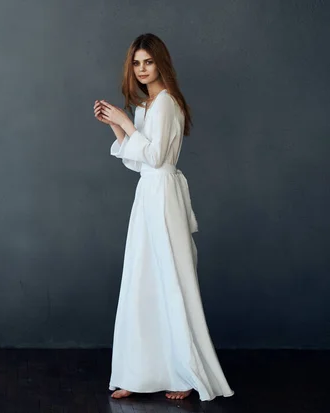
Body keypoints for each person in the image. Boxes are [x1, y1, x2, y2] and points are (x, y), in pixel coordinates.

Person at [93, 33, 234, 402]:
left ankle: (182, 372)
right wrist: (116, 123)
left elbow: (156, 158)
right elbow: (135, 160)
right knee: (142, 280)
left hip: (164, 194)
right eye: (136, 63)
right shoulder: (146, 106)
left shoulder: (167, 102)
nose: (141, 70)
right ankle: (137, 374)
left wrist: (125, 119)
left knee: (170, 276)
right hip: (147, 194)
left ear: (161, 63)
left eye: (148, 62)